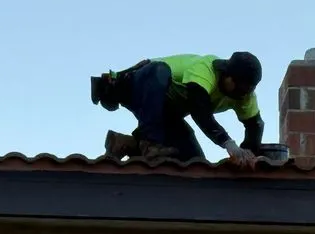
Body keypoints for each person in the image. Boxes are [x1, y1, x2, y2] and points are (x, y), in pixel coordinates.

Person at [91, 52, 264, 166]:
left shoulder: (244, 96)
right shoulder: (206, 70)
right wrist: (229, 144)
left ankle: (125, 144)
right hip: (139, 85)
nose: (242, 94)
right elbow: (200, 111)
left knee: (195, 162)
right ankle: (151, 144)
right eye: (239, 87)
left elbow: (254, 126)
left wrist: (249, 156)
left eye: (247, 89)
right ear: (227, 74)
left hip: (164, 111)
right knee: (159, 71)